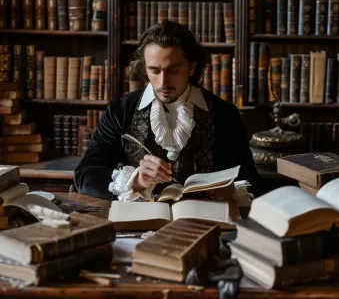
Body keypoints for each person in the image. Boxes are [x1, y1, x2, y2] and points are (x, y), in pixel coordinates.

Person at [74, 20, 261, 201]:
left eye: (173, 70)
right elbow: (85, 175)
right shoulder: (121, 110)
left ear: (191, 67)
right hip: (139, 222)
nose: (163, 83)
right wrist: (136, 181)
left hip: (204, 220)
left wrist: (231, 190)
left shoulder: (224, 114)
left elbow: (251, 181)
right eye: (155, 71)